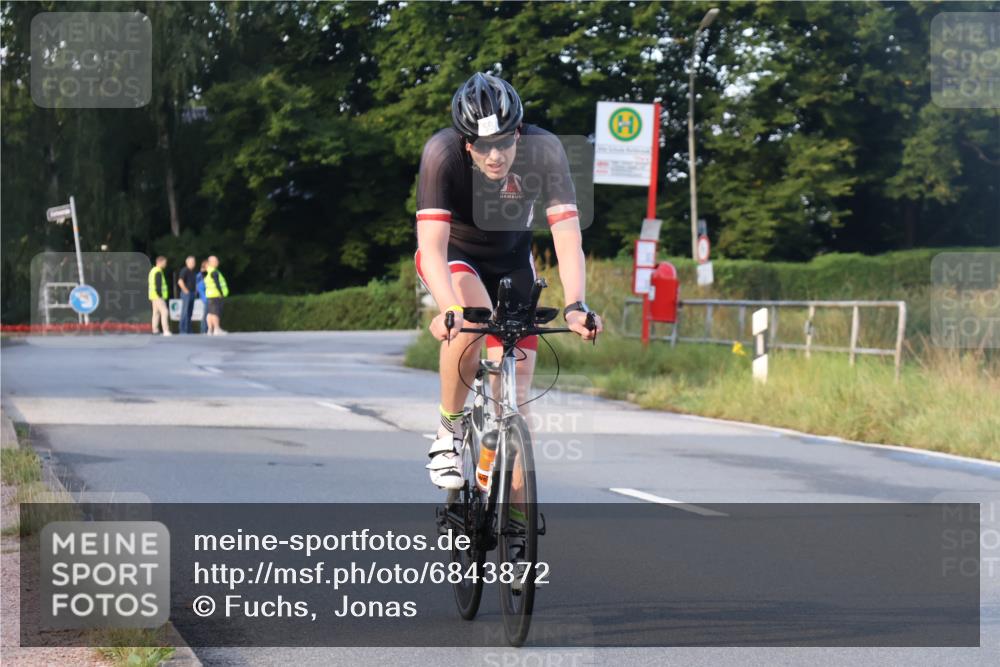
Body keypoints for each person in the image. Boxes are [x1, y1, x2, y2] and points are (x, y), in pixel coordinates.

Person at [416, 72, 602, 491]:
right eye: (483, 146)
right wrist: (448, 308)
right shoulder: (441, 154)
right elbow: (431, 246)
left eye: (504, 141)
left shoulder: (546, 150)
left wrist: (576, 304)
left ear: (519, 133)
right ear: (467, 143)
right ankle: (448, 431)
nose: (495, 155)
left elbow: (568, 237)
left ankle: (515, 531)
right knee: (471, 318)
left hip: (514, 261)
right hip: (455, 259)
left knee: (517, 406)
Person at [204, 255, 229, 335]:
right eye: (216, 261)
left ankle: (210, 330)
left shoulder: (208, 272)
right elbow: (217, 283)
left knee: (210, 313)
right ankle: (217, 329)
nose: (217, 262)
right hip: (216, 295)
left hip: (209, 295)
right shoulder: (214, 272)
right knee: (215, 313)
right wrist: (221, 293)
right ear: (211, 262)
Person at [148, 256, 172, 336]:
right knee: (164, 312)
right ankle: (166, 330)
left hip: (153, 295)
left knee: (156, 313)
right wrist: (160, 295)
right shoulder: (158, 271)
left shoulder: (153, 271)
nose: (165, 264)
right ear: (160, 262)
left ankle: (155, 329)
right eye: (164, 263)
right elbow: (158, 284)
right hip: (158, 296)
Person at [177, 256, 198, 334]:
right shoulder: (184, 270)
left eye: (194, 262)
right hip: (186, 294)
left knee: (190, 312)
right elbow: (180, 281)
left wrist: (195, 292)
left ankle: (189, 330)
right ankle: (182, 330)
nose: (193, 263)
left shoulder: (193, 272)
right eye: (192, 262)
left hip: (192, 294)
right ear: (187, 262)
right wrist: (186, 291)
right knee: (185, 312)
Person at [196, 261, 209, 334]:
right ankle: (203, 330)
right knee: (206, 314)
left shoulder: (206, 273)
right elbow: (199, 288)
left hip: (207, 296)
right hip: (205, 297)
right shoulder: (200, 275)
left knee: (208, 314)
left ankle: (207, 330)